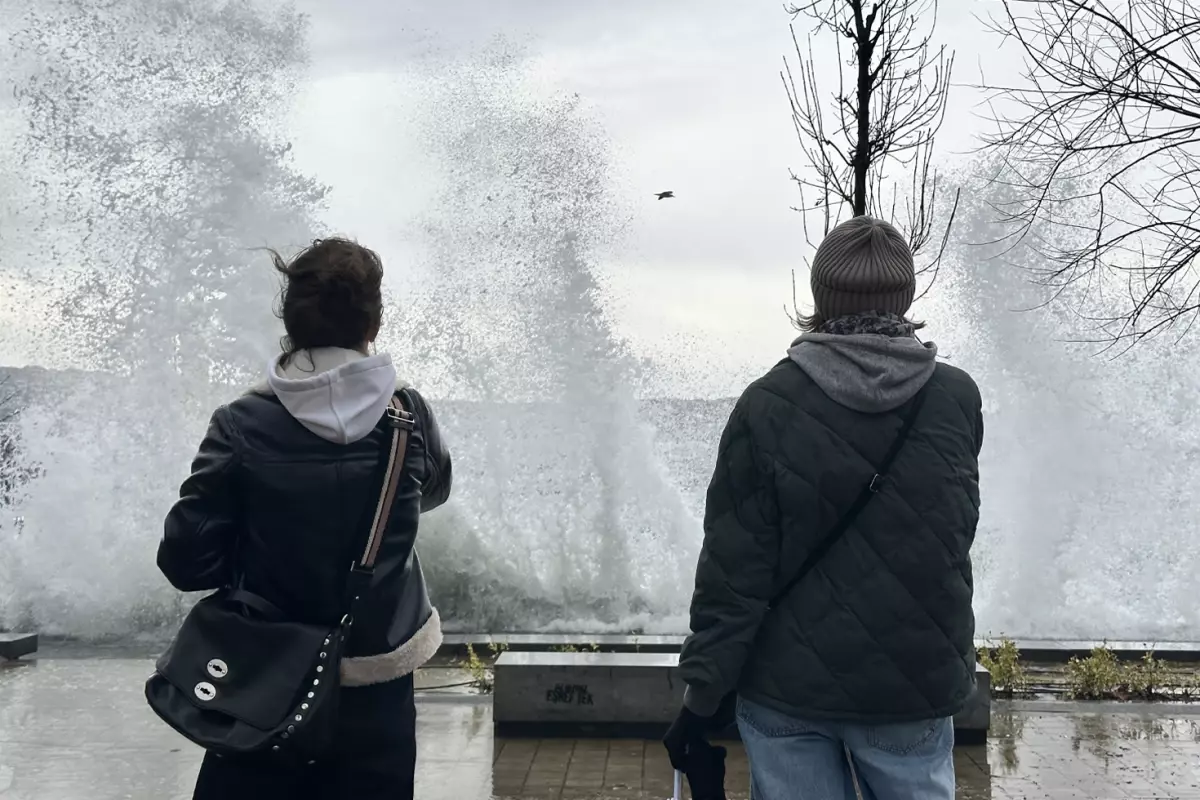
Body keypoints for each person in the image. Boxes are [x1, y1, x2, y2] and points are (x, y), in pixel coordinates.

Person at [665, 216, 984, 799]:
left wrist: (703, 693)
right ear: (905, 295)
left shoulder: (765, 405)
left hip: (789, 689)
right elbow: (951, 536)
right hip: (912, 686)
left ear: (820, 297)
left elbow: (733, 575)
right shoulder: (955, 399)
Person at [156, 237, 452, 800]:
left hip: (264, 680)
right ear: (375, 323)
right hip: (378, 679)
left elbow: (187, 560)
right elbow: (431, 492)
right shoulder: (407, 416)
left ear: (290, 321)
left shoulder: (241, 422)